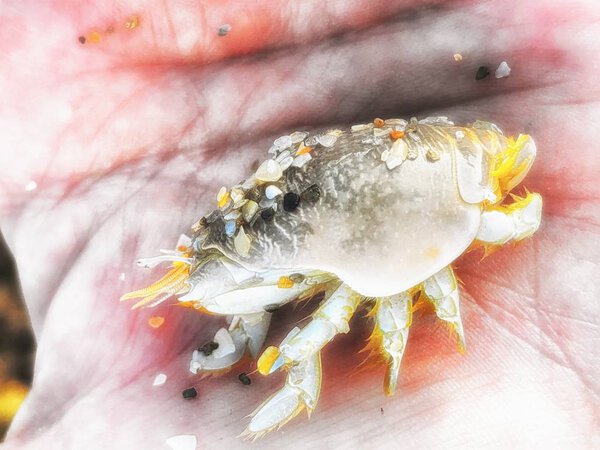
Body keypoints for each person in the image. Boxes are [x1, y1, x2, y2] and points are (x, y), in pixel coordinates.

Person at [1, 1, 598, 448]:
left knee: (313, 311)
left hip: (452, 176)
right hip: (421, 174)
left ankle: (258, 418)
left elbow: (512, 226)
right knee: (276, 254)